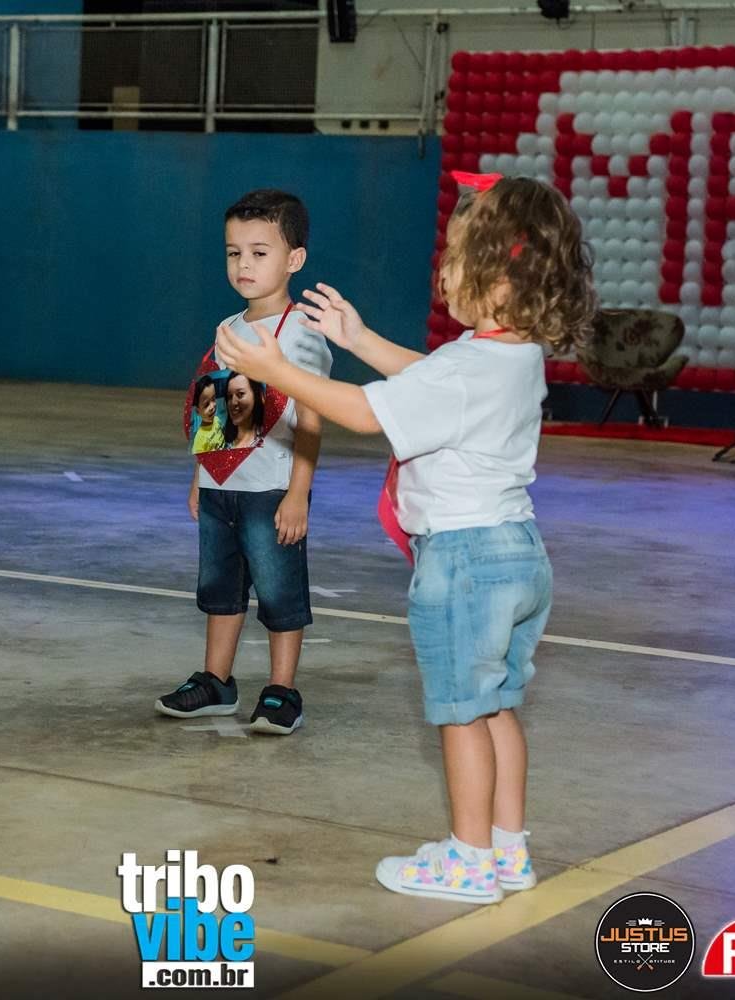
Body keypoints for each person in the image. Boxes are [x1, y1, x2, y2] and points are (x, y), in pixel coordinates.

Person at [214, 173, 596, 904]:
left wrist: (276, 371)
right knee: (496, 706)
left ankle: (468, 860)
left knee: (460, 715)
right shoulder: (509, 356)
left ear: (502, 278)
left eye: (456, 260)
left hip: (463, 562)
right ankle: (508, 850)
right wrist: (359, 339)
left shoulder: (468, 366)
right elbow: (431, 379)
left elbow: (366, 413)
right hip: (517, 554)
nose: (443, 273)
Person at [155, 189, 331, 736]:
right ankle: (216, 681)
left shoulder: (303, 333)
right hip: (220, 488)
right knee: (221, 588)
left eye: (259, 252)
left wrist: (298, 493)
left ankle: (282, 689)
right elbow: (214, 410)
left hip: (272, 490)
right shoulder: (228, 327)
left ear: (294, 259)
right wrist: (200, 477)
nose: (243, 265)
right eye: (234, 253)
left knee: (279, 592)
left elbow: (311, 419)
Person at [189, 374, 225, 455]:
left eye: (213, 399)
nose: (212, 406)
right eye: (206, 405)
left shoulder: (217, 420)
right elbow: (200, 461)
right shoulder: (200, 439)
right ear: (197, 411)